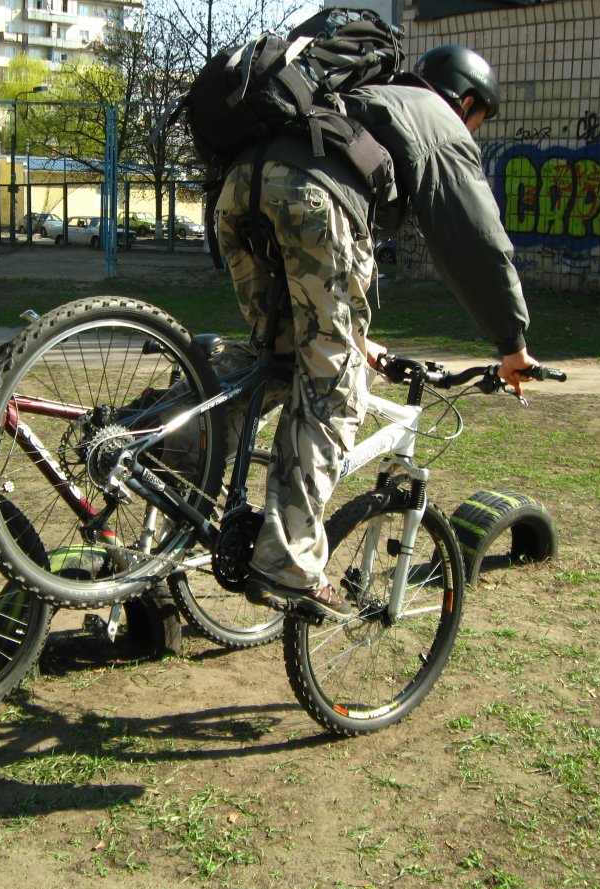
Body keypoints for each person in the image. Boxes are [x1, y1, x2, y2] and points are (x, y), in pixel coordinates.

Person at [213, 44, 539, 622]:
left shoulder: (363, 98)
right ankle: (287, 561)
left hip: (242, 187)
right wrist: (511, 343)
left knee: (279, 360)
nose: (474, 130)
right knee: (334, 391)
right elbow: (474, 240)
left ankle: (157, 447)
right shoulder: (437, 120)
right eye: (479, 120)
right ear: (466, 102)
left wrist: (356, 339)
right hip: (311, 198)